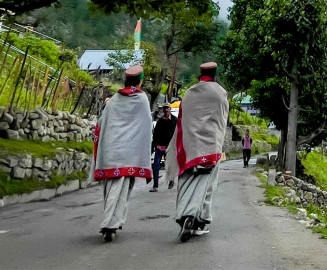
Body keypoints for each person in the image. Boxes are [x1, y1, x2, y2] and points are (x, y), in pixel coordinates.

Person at [165, 62, 229, 243]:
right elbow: (222, 120)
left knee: (186, 182)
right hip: (210, 146)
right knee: (206, 185)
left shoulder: (190, 93)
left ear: (200, 73)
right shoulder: (220, 93)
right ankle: (196, 220)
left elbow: (183, 121)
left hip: (190, 147)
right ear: (215, 74)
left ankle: (184, 215)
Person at [88, 65, 152, 242]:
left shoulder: (115, 99)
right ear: (140, 80)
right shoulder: (142, 99)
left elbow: (101, 123)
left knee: (111, 190)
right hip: (129, 155)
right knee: (122, 189)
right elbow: (146, 126)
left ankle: (113, 221)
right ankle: (110, 223)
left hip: (111, 152)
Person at [150, 102, 177, 192]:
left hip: (169, 146)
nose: (166, 110)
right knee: (156, 165)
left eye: (167, 108)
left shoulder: (175, 120)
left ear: (170, 109)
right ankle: (155, 185)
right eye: (164, 108)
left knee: (169, 165)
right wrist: (153, 146)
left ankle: (171, 180)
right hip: (159, 146)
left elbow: (177, 133)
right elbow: (155, 134)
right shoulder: (160, 121)